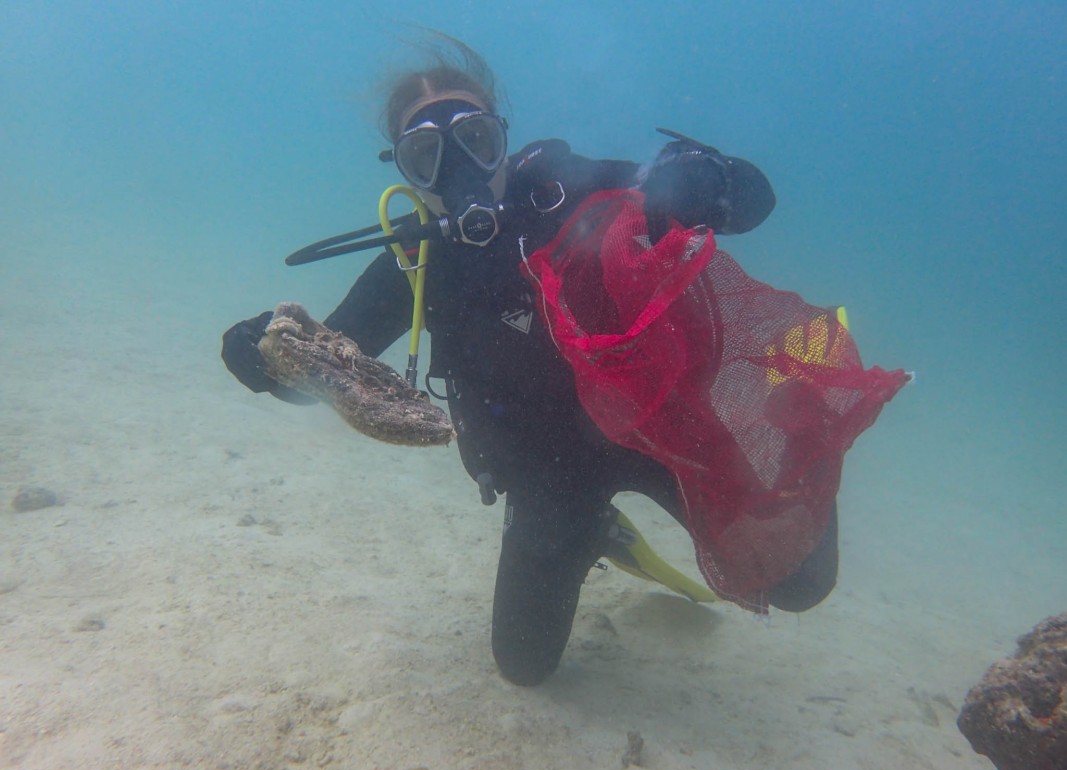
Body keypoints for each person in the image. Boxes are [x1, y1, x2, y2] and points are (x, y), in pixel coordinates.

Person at [222, 35, 838, 686]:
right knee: (522, 665)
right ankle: (594, 530)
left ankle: (809, 433)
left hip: (662, 430)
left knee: (799, 583)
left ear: (503, 140)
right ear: (404, 171)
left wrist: (706, 178)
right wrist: (263, 355)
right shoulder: (413, 264)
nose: (459, 170)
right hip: (547, 472)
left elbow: (754, 201)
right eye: (427, 156)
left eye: (476, 142)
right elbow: (324, 371)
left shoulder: (575, 191)